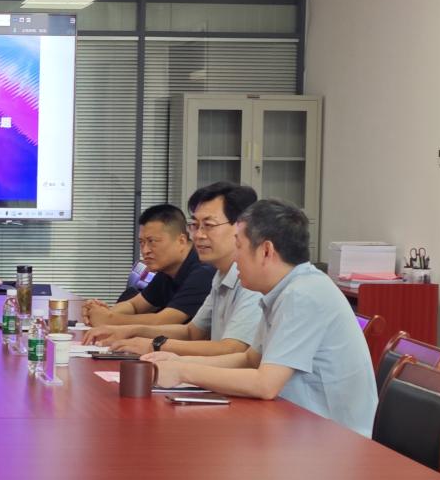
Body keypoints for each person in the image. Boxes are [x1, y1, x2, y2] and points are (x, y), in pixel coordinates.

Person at [144, 199, 377, 437]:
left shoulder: (303, 294)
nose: (235, 258)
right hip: (295, 424)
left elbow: (265, 384)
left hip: (332, 437)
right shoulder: (283, 289)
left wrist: (183, 372)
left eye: (239, 246)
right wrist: (178, 362)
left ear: (266, 251)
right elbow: (249, 359)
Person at [85, 182, 261, 356]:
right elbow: (191, 332)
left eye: (208, 225)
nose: (198, 235)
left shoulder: (252, 281)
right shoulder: (221, 275)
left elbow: (232, 349)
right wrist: (130, 331)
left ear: (241, 227)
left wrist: (153, 346)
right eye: (195, 225)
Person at [81, 204, 215, 328]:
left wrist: (109, 319)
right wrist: (103, 312)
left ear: (181, 241)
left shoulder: (203, 272)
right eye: (142, 242)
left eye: (152, 241)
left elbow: (163, 321)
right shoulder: (168, 270)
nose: (145, 251)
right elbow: (134, 305)